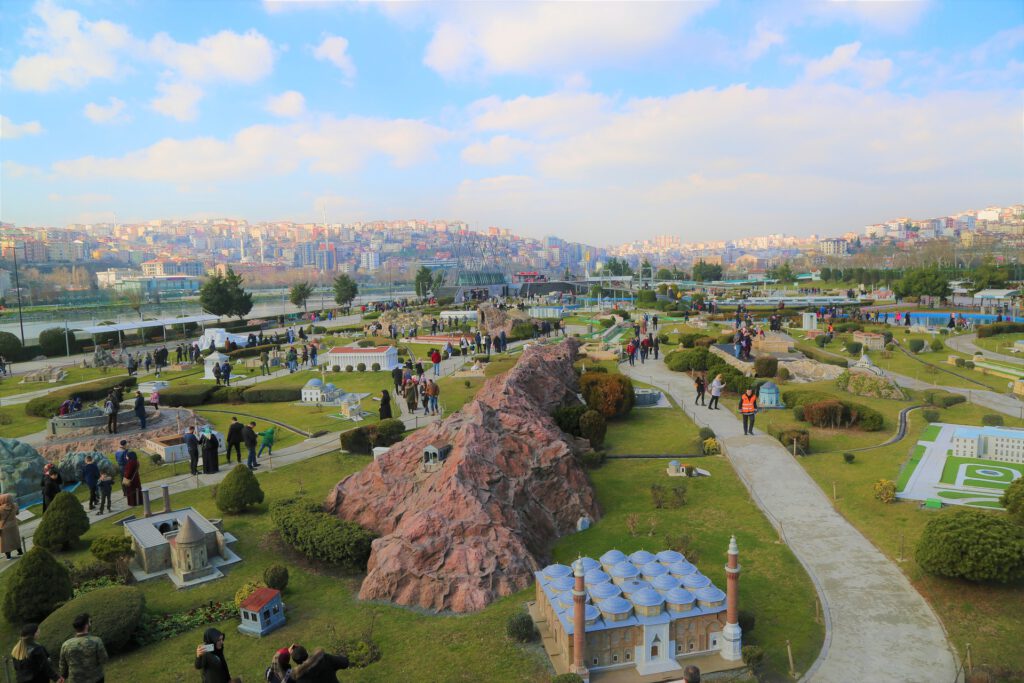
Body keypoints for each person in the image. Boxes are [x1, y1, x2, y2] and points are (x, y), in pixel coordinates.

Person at [58, 613, 107, 683]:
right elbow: (104, 659)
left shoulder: (66, 644)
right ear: (86, 625)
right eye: (90, 622)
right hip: (95, 678)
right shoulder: (97, 641)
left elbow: (62, 665)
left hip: (75, 680)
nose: (91, 624)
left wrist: (63, 675)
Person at [0, 494, 23, 561]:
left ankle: (8, 556)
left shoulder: (0, 508)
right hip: (14, 525)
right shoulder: (15, 505)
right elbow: (17, 513)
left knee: (5, 542)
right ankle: (20, 552)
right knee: (15, 538)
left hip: (4, 527)